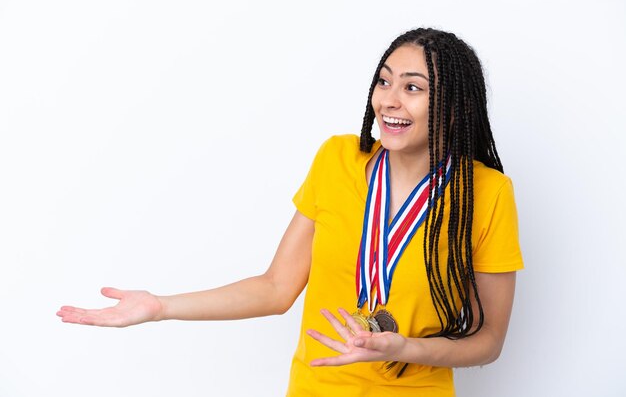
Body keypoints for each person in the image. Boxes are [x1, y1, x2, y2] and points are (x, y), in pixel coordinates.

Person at [57, 27, 524, 396]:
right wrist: (160, 307)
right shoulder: (338, 159)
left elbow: (489, 341)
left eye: (413, 87)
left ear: (454, 105)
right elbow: (276, 288)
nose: (389, 100)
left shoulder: (487, 192)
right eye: (383, 81)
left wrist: (405, 347)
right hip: (315, 389)